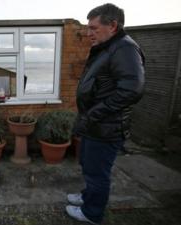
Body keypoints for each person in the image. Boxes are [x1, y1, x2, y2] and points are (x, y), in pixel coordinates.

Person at [67, 3, 145, 224]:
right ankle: (87, 197)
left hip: (106, 126)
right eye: (87, 28)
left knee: (97, 173)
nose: (88, 33)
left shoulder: (124, 48)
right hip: (96, 123)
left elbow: (132, 89)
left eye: (93, 28)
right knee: (87, 165)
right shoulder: (108, 47)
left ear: (112, 25)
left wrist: (95, 113)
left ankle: (92, 213)